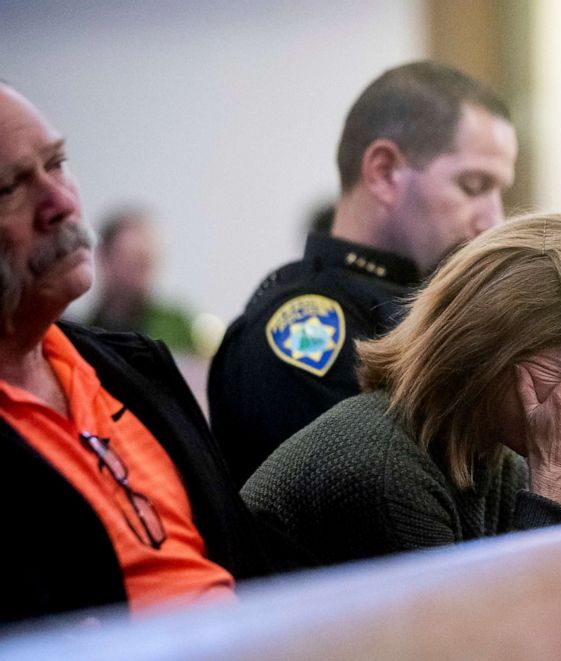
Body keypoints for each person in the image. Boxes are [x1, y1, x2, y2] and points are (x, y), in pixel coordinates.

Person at [242, 213, 561, 567]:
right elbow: (505, 643)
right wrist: (557, 481)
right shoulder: (386, 470)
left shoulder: (492, 454)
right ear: (494, 346)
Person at [0, 83, 271, 624]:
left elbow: (251, 568)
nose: (61, 203)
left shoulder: (137, 367)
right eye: (10, 189)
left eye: (58, 164)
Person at [209, 60, 518, 485]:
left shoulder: (426, 314)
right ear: (385, 172)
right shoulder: (308, 331)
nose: (494, 222)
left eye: (500, 191)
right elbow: (398, 520)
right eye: (473, 185)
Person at [86, 207, 198, 355]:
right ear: (103, 257)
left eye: (147, 264)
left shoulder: (177, 326)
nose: (143, 277)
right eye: (133, 262)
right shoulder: (79, 330)